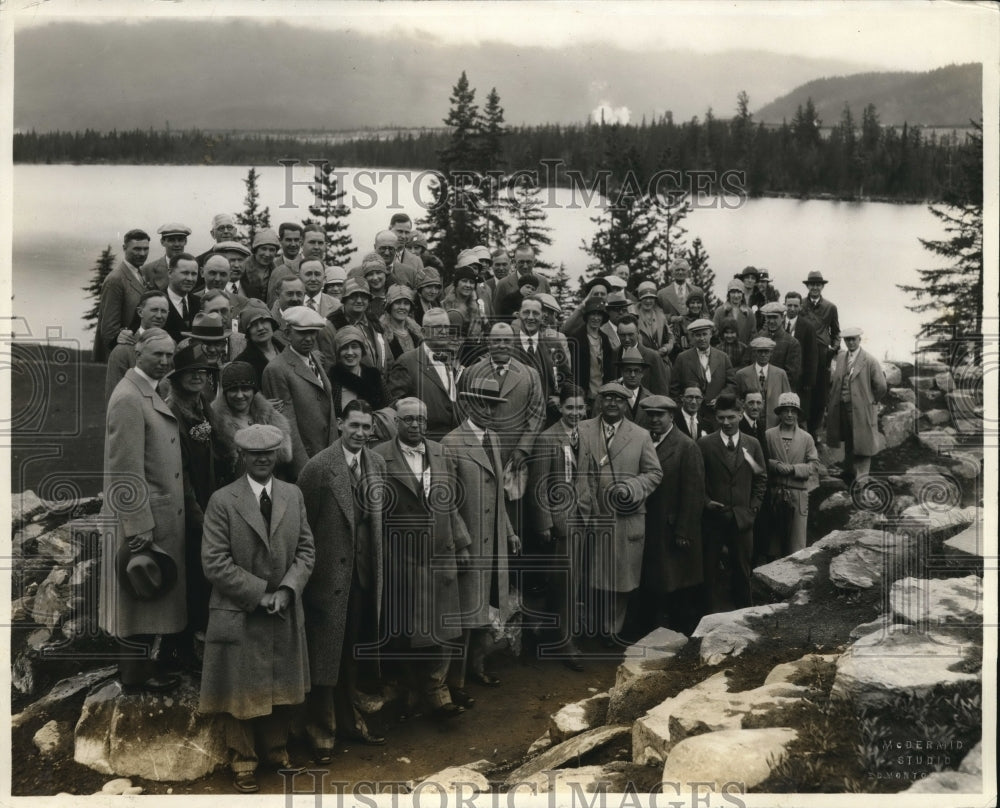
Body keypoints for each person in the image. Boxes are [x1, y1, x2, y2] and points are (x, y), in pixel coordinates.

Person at [199, 424, 315, 793]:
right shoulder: (223, 501)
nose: (263, 460)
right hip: (240, 610)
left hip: (282, 606)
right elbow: (214, 562)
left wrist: (287, 589)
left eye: (269, 454)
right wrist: (259, 593)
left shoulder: (293, 495)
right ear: (242, 457)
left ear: (278, 456)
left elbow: (306, 551)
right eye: (254, 454)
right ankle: (243, 759)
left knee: (280, 681)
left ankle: (277, 751)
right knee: (240, 689)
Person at [298, 399, 389, 759]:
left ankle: (350, 722)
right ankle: (320, 731)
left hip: (364, 578)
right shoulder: (318, 468)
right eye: (355, 426)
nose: (361, 434)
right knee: (325, 657)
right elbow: (303, 530)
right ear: (340, 424)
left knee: (352, 654)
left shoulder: (377, 464)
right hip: (328, 582)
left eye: (367, 428)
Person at [374, 398, 472, 720]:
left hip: (440, 552)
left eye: (420, 419)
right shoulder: (379, 457)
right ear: (397, 423)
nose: (415, 425)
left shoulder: (441, 453)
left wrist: (461, 544)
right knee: (406, 628)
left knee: (443, 625)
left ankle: (437, 690)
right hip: (402, 556)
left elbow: (450, 503)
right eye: (408, 420)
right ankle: (409, 692)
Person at [98, 328, 185, 693]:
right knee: (136, 598)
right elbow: (124, 470)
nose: (165, 361)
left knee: (147, 597)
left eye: (169, 355)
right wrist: (137, 526)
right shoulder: (128, 397)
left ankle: (142, 671)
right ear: (138, 352)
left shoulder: (146, 389)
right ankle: (136, 677)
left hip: (156, 515)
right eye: (157, 355)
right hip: (143, 518)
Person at [441, 378, 521, 697]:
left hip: (494, 541)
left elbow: (499, 496)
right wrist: (461, 542)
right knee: (465, 612)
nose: (488, 411)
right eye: (482, 404)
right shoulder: (452, 442)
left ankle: (477, 666)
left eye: (493, 406)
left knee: (486, 606)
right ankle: (455, 682)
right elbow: (446, 502)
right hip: (470, 542)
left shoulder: (495, 440)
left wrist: (511, 533)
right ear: (469, 405)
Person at [576, 382, 662, 642]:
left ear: (626, 404)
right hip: (590, 515)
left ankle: (613, 630)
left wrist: (631, 488)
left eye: (618, 399)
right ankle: (590, 628)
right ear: (600, 402)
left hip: (624, 517)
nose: (612, 403)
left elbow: (654, 473)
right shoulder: (582, 429)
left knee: (620, 579)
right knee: (590, 575)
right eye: (607, 398)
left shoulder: (640, 435)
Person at [164, 343, 220, 668]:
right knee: (193, 579)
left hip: (209, 499)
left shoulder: (201, 405)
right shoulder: (174, 412)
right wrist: (200, 517)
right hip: (189, 509)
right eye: (191, 372)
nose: (199, 376)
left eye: (203, 371)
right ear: (178, 377)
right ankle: (187, 653)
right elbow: (179, 474)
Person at [526, 384, 588, 671]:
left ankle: (559, 634)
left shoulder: (584, 435)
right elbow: (538, 486)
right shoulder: (546, 439)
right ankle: (564, 642)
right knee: (563, 584)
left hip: (581, 518)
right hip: (558, 522)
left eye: (580, 407)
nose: (575, 413)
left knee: (574, 582)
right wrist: (545, 524)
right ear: (560, 408)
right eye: (570, 408)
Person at [637, 395, 705, 636]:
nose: (654, 420)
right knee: (652, 581)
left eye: (660, 415)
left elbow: (694, 492)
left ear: (672, 417)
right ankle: (650, 631)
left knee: (675, 582)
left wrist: (684, 530)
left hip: (671, 526)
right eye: (651, 415)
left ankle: (678, 635)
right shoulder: (643, 441)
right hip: (647, 523)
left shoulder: (686, 446)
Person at [698, 394, 767, 612]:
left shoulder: (752, 444)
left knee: (742, 571)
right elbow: (696, 480)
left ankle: (744, 615)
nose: (726, 423)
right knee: (708, 572)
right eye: (721, 418)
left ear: (740, 414)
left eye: (730, 417)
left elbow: (761, 477)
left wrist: (752, 509)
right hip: (713, 520)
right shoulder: (705, 444)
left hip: (742, 520)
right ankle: (707, 616)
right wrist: (706, 502)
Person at [262, 306, 337, 479]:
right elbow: (287, 426)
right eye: (302, 333)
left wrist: (334, 456)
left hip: (326, 457)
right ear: (288, 334)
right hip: (304, 465)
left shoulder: (315, 359)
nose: (309, 338)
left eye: (313, 332)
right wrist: (305, 472)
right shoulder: (277, 369)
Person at [462, 321, 545, 468]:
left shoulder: (530, 375)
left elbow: (537, 416)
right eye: (496, 341)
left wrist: (523, 449)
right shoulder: (471, 372)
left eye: (507, 341)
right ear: (488, 343)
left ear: (514, 344)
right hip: (479, 452)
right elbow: (464, 410)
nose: (502, 345)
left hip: (514, 453)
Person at [211, 361, 293, 486]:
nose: (239, 395)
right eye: (233, 389)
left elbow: (285, 455)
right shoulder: (216, 425)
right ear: (225, 393)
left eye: (245, 389)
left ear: (254, 391)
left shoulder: (269, 417)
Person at [386, 308, 461, 441]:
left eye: (446, 327)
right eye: (437, 327)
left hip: (452, 439)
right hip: (423, 441)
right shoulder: (406, 362)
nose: (444, 331)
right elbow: (395, 404)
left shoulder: (449, 361)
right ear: (424, 332)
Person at [826, 326, 887, 481]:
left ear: (860, 339)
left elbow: (881, 386)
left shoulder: (870, 360)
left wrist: (872, 401)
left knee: (863, 442)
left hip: (862, 409)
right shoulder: (841, 358)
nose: (851, 342)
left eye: (854, 339)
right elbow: (836, 380)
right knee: (848, 439)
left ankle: (862, 478)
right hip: (843, 407)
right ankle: (849, 472)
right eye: (847, 339)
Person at [765, 393, 820, 556]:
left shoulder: (806, 438)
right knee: (773, 542)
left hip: (798, 494)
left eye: (793, 411)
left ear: (798, 414)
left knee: (796, 545)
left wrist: (794, 469)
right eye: (786, 411)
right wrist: (776, 465)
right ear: (780, 413)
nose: (789, 415)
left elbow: (814, 465)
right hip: (775, 493)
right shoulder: (769, 435)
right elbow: (761, 459)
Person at [93, 228, 151, 362]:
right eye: (137, 249)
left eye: (145, 249)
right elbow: (109, 330)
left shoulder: (139, 273)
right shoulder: (116, 279)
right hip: (125, 356)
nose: (142, 253)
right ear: (125, 248)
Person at [670, 318, 737, 429]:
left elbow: (732, 384)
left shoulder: (722, 357)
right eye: (697, 335)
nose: (701, 338)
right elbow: (674, 389)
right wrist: (685, 408)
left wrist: (720, 398)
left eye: (705, 334)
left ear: (711, 334)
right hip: (691, 417)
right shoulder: (683, 358)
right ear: (692, 337)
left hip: (716, 416)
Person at [104, 289, 169, 403]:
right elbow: (114, 399)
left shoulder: (172, 348)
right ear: (140, 312)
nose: (159, 316)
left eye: (163, 311)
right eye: (154, 310)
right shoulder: (122, 351)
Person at [801, 270, 841, 437]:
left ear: (822, 286)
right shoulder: (800, 305)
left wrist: (834, 349)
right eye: (812, 284)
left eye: (818, 284)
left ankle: (816, 431)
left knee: (821, 394)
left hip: (823, 354)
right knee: (804, 391)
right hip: (803, 354)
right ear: (808, 286)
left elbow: (836, 333)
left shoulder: (830, 307)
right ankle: (802, 431)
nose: (815, 287)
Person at [328, 278, 389, 375]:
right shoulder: (332, 326)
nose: (359, 301)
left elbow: (388, 358)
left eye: (364, 297)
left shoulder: (375, 323)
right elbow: (330, 366)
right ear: (344, 299)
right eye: (353, 296)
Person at [566, 298, 616, 412]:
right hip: (583, 394)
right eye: (592, 314)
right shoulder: (576, 338)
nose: (596, 318)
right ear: (587, 316)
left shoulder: (604, 338)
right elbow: (571, 369)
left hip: (602, 393)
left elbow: (609, 368)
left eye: (599, 314)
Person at [328, 325, 389, 418]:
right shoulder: (331, 379)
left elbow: (389, 407)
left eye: (354, 347)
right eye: (344, 348)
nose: (350, 352)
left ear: (362, 350)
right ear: (338, 352)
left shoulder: (374, 376)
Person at [734, 336, 792, 429]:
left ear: (771, 353)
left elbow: (788, 401)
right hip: (749, 425)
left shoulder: (780, 374)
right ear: (754, 353)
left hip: (774, 424)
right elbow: (737, 401)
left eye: (766, 351)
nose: (763, 355)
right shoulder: (742, 374)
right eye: (760, 351)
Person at [783, 292, 819, 428]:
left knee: (798, 413)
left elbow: (812, 356)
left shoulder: (807, 327)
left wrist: (808, 381)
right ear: (784, 305)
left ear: (800, 307)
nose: (792, 308)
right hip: (781, 375)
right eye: (789, 305)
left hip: (799, 378)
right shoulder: (778, 323)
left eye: (795, 306)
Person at [615, 314, 672, 395]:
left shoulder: (653, 357)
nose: (627, 339)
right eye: (622, 335)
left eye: (630, 334)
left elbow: (661, 392)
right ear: (617, 334)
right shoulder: (614, 353)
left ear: (638, 332)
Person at [233, 301, 284, 387]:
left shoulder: (287, 350)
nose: (260, 328)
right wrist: (261, 400)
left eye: (263, 321)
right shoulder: (242, 363)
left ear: (271, 323)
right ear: (248, 332)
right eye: (253, 325)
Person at [758, 302, 802, 391]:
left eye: (775, 317)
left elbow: (791, 375)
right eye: (769, 317)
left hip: (779, 391)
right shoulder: (758, 338)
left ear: (782, 318)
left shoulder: (792, 343)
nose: (771, 321)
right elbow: (749, 363)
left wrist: (770, 387)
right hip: (756, 391)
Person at [199, 255, 248, 333]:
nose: (217, 279)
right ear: (202, 272)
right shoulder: (192, 300)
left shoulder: (243, 303)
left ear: (229, 276)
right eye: (212, 273)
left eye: (223, 274)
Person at [163, 253, 202, 343]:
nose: (190, 278)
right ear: (170, 273)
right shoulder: (154, 301)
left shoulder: (199, 303)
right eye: (185, 273)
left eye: (194, 274)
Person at [142, 223, 191, 291]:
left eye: (180, 240)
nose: (177, 244)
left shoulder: (194, 267)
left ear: (185, 242)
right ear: (162, 242)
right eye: (171, 240)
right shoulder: (148, 270)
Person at [634, 281, 675, 361]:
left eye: (651, 298)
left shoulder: (661, 316)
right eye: (645, 298)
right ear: (640, 298)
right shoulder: (633, 316)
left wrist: (666, 348)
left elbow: (670, 337)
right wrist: (653, 354)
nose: (648, 301)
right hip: (641, 360)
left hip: (661, 360)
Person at [381, 284, 423, 360]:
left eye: (406, 303)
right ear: (390, 306)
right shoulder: (382, 334)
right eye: (397, 303)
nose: (402, 307)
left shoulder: (417, 333)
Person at [240, 229, 280, 303]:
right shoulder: (242, 269)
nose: (267, 254)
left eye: (272, 250)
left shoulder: (277, 272)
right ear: (255, 250)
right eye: (263, 249)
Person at [712, 279, 756, 345]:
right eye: (733, 292)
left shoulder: (749, 313)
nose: (736, 296)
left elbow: (753, 335)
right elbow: (714, 332)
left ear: (743, 294)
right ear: (728, 294)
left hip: (744, 351)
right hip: (724, 350)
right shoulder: (720, 311)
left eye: (739, 292)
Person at [616, 346, 653, 422]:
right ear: (622, 372)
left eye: (636, 371)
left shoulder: (651, 398)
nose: (632, 375)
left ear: (642, 373)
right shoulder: (610, 396)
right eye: (628, 370)